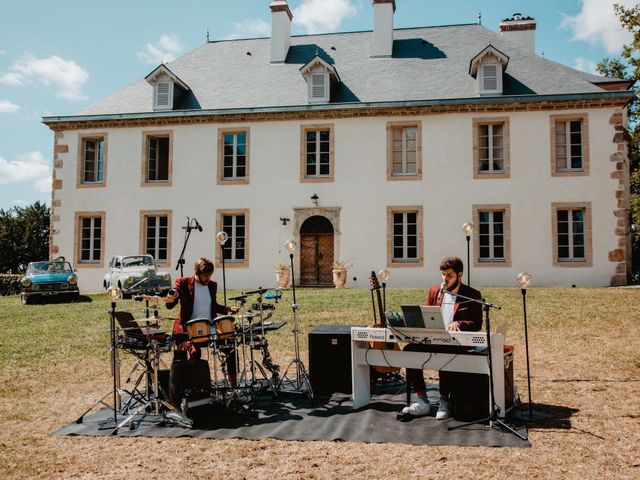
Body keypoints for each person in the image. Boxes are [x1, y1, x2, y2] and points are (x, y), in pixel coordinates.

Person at [402, 256, 482, 419]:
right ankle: (422, 400)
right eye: (443, 275)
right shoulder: (434, 292)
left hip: (455, 342)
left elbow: (477, 323)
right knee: (409, 350)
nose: (445, 279)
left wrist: (459, 323)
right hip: (434, 339)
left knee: (446, 354)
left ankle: (444, 400)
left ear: (459, 275)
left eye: (449, 275)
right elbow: (427, 314)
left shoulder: (472, 295)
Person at [165, 257, 239, 385]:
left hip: (210, 329)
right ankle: (195, 388)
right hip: (189, 330)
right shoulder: (183, 282)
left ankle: (234, 387)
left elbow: (213, 305)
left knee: (230, 348)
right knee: (194, 353)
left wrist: (227, 308)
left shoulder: (212, 285)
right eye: (205, 276)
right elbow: (170, 303)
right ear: (196, 272)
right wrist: (171, 297)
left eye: (209, 275)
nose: (207, 279)